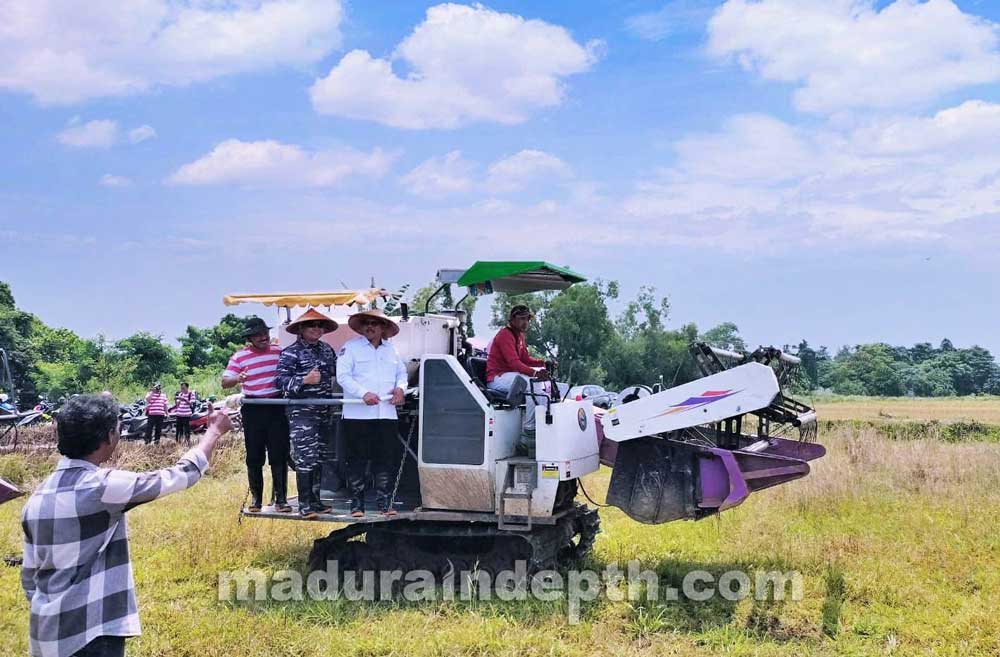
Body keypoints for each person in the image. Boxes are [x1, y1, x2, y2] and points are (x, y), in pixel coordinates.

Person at [20, 394, 232, 657]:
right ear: (109, 436)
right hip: (91, 635)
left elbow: (30, 579)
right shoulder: (102, 487)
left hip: (46, 635)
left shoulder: (37, 497)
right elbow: (182, 474)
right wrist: (213, 431)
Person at [337, 308, 407, 517]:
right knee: (357, 459)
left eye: (374, 323)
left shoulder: (391, 350)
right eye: (366, 323)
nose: (369, 326)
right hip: (357, 414)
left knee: (385, 459)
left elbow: (401, 373)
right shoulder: (350, 348)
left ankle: (385, 503)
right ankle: (357, 504)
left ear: (383, 327)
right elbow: (342, 376)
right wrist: (362, 393)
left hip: (386, 412)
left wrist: (400, 388)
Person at [222, 316, 291, 514]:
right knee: (254, 456)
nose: (264, 337)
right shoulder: (239, 357)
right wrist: (237, 378)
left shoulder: (279, 352)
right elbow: (225, 382)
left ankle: (281, 500)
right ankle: (256, 500)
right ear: (250, 338)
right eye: (259, 335)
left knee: (279, 454)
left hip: (276, 406)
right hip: (253, 409)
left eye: (265, 333)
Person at [275, 308, 339, 519]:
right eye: (312, 325)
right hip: (302, 414)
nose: (317, 329)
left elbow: (339, 372)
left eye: (320, 325)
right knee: (305, 458)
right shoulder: (290, 352)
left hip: (324, 412)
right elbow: (280, 381)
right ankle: (304, 505)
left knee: (320, 457)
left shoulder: (328, 350)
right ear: (301, 329)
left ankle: (316, 501)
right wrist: (303, 380)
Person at [485, 305, 556, 454]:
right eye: (522, 319)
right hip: (497, 378)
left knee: (541, 385)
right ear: (512, 320)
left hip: (509, 377)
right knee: (530, 382)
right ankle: (530, 429)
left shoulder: (520, 336)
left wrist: (543, 363)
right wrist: (535, 374)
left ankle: (540, 424)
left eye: (527, 319)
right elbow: (514, 363)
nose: (525, 322)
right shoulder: (505, 335)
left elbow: (525, 359)